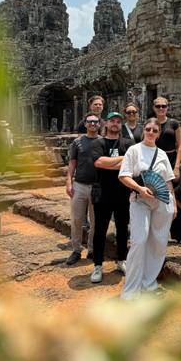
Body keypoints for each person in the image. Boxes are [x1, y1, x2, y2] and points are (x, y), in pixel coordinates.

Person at [119, 117, 176, 300]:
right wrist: (139, 189)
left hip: (161, 202)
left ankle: (148, 283)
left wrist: (172, 202)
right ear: (144, 130)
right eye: (149, 129)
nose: (151, 133)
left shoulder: (162, 154)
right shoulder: (134, 150)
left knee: (158, 243)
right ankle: (131, 291)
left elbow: (167, 181)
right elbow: (123, 176)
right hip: (139, 201)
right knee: (139, 240)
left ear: (159, 134)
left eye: (155, 131)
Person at [90, 112, 133, 283]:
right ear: (105, 123)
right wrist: (123, 160)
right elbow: (98, 162)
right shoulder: (97, 142)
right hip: (102, 193)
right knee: (100, 230)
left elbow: (131, 164)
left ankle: (121, 260)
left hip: (122, 192)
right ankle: (97, 265)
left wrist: (111, 162)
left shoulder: (128, 143)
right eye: (112, 121)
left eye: (118, 121)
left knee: (123, 230)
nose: (115, 124)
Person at [65, 112, 101, 265]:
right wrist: (68, 181)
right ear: (85, 124)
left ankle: (92, 249)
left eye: (95, 122)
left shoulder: (103, 142)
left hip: (97, 187)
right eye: (90, 122)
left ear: (99, 124)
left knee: (95, 221)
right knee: (77, 219)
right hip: (79, 185)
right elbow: (72, 163)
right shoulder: (77, 142)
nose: (93, 124)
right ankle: (76, 249)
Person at [153, 96, 181, 246]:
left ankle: (180, 233)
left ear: (167, 107)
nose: (161, 109)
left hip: (171, 159)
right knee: (156, 196)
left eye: (164, 106)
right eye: (158, 106)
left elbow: (179, 145)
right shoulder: (151, 124)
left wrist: (177, 166)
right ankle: (158, 232)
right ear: (154, 107)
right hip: (155, 162)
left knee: (177, 196)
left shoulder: (174, 124)